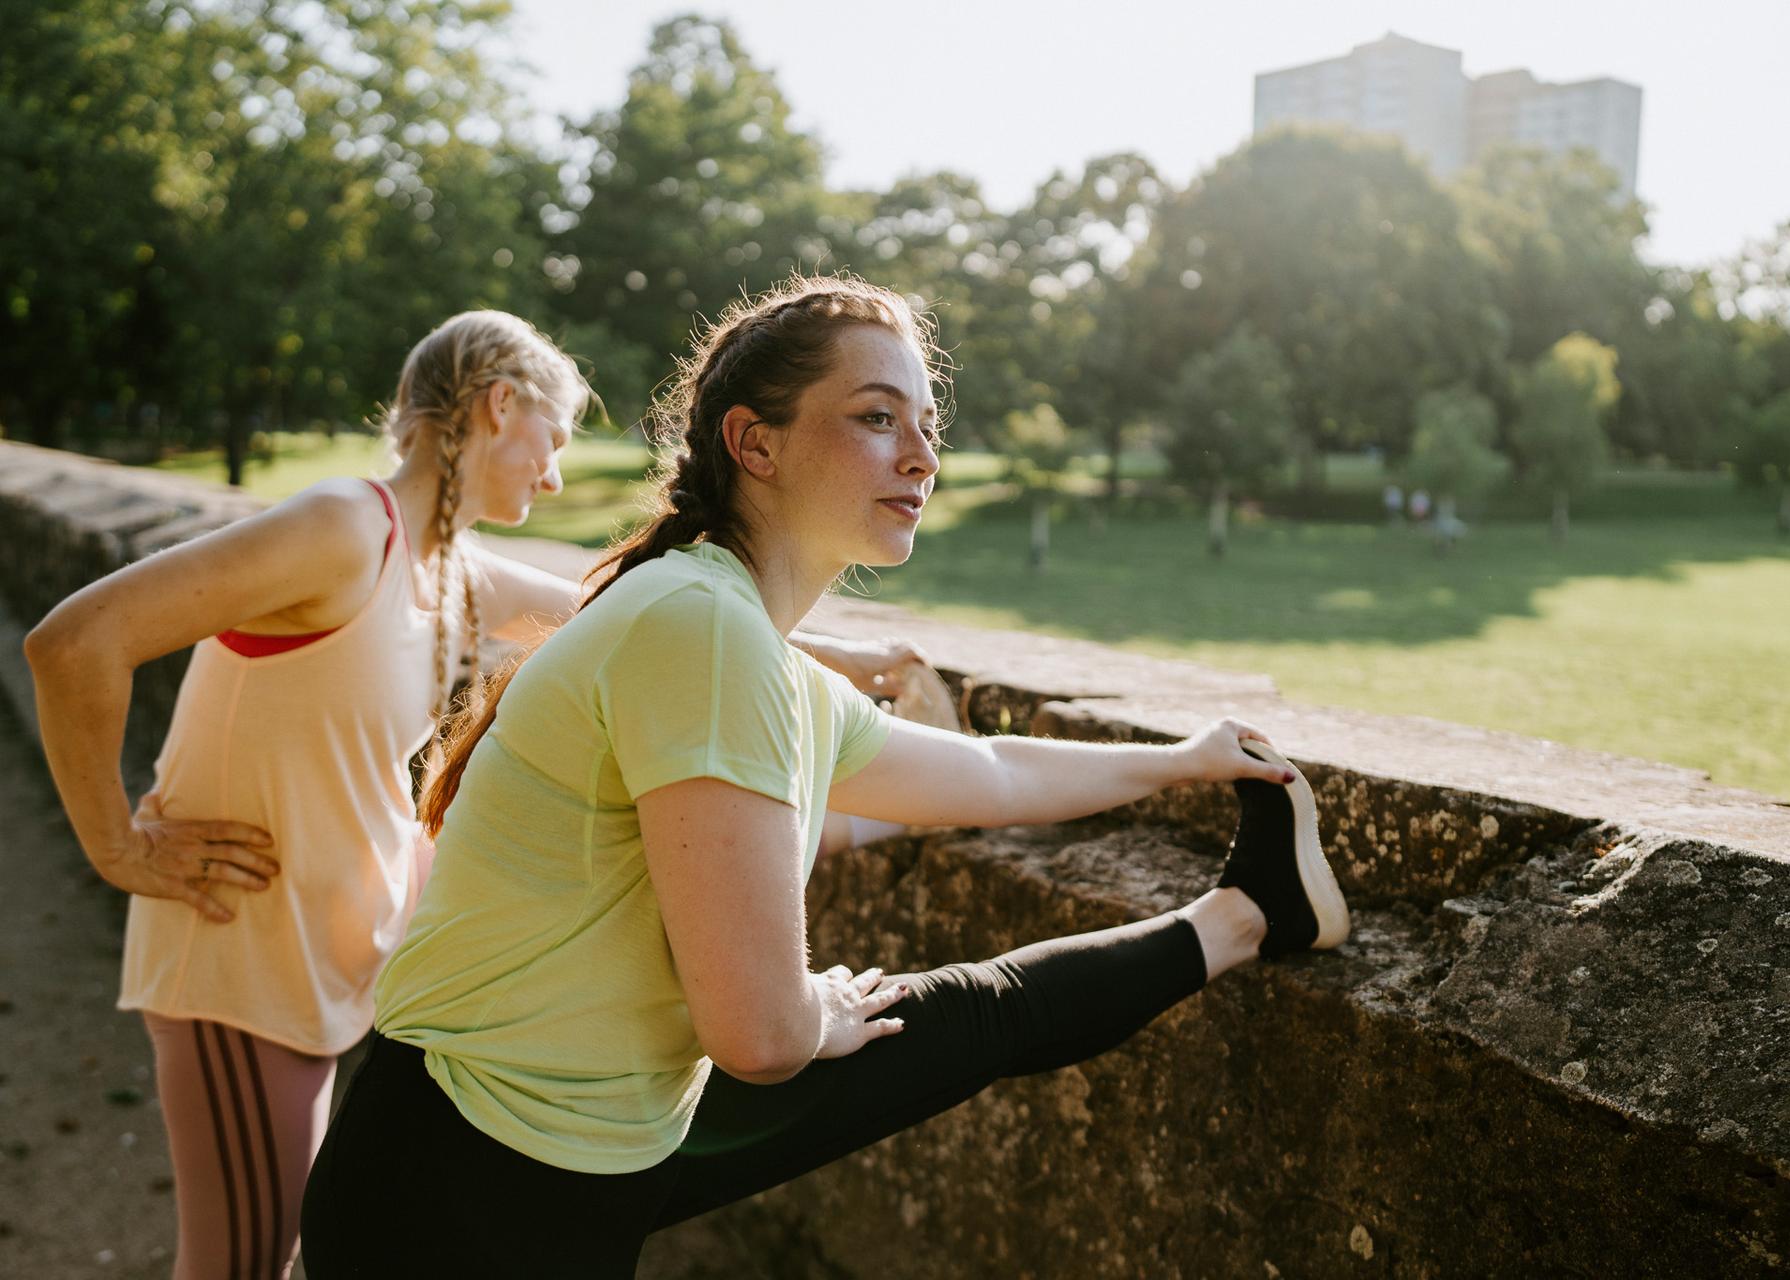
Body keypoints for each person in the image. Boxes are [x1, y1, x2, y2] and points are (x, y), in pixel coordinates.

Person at [298, 277, 1351, 1278]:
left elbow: (986, 773)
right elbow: (758, 1034)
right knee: (957, 1018)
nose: (923, 456)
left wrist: (1182, 764)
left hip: (570, 1145)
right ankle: (1251, 914)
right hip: (459, 1181)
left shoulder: (734, 634)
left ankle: (1253, 911)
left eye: (928, 423)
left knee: (973, 1016)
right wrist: (811, 1011)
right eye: (878, 417)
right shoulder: (702, 630)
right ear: (754, 441)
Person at [21, 309, 925, 1280]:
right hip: (238, 947)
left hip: (321, 964)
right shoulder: (342, 526)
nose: (554, 475)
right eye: (555, 438)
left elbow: (625, 607)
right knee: (239, 1261)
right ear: (501, 407)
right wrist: (116, 847)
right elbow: (73, 642)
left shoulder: (440, 561)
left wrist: (846, 655)